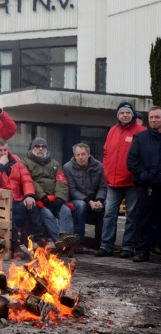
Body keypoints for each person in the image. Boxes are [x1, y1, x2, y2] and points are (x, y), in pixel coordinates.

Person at [0, 139, 48, 254]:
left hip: (17, 198)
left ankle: (41, 239)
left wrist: (29, 195)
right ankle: (16, 244)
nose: (3, 153)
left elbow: (26, 178)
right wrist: (1, 165)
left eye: (5, 150)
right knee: (9, 210)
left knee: (32, 204)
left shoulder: (15, 160)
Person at [96, 102, 146, 258]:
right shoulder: (112, 131)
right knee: (109, 214)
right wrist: (107, 170)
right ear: (118, 115)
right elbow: (106, 152)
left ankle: (128, 247)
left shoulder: (141, 131)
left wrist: (138, 175)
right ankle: (106, 246)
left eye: (128, 113)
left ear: (133, 115)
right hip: (113, 182)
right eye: (122, 113)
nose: (125, 115)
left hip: (132, 182)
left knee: (131, 216)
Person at [21, 138, 80, 254]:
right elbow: (30, 181)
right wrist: (43, 197)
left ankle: (65, 239)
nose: (40, 148)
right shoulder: (25, 163)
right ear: (32, 148)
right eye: (37, 146)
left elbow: (61, 181)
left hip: (55, 197)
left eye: (43, 146)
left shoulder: (55, 163)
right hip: (39, 200)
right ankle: (60, 242)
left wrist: (60, 198)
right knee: (47, 215)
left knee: (66, 210)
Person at [127, 106, 161, 262]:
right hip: (145, 186)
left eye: (157, 117)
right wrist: (144, 176)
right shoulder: (140, 138)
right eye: (151, 117)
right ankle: (142, 251)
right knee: (143, 219)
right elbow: (131, 161)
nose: (154, 120)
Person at [63, 143, 107, 251]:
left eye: (83, 154)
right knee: (81, 206)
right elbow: (72, 190)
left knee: (109, 205)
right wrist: (89, 202)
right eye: (77, 155)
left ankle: (104, 243)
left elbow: (102, 187)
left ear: (89, 154)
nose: (80, 157)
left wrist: (99, 200)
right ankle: (79, 241)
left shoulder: (99, 166)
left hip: (96, 198)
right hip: (78, 199)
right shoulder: (67, 167)